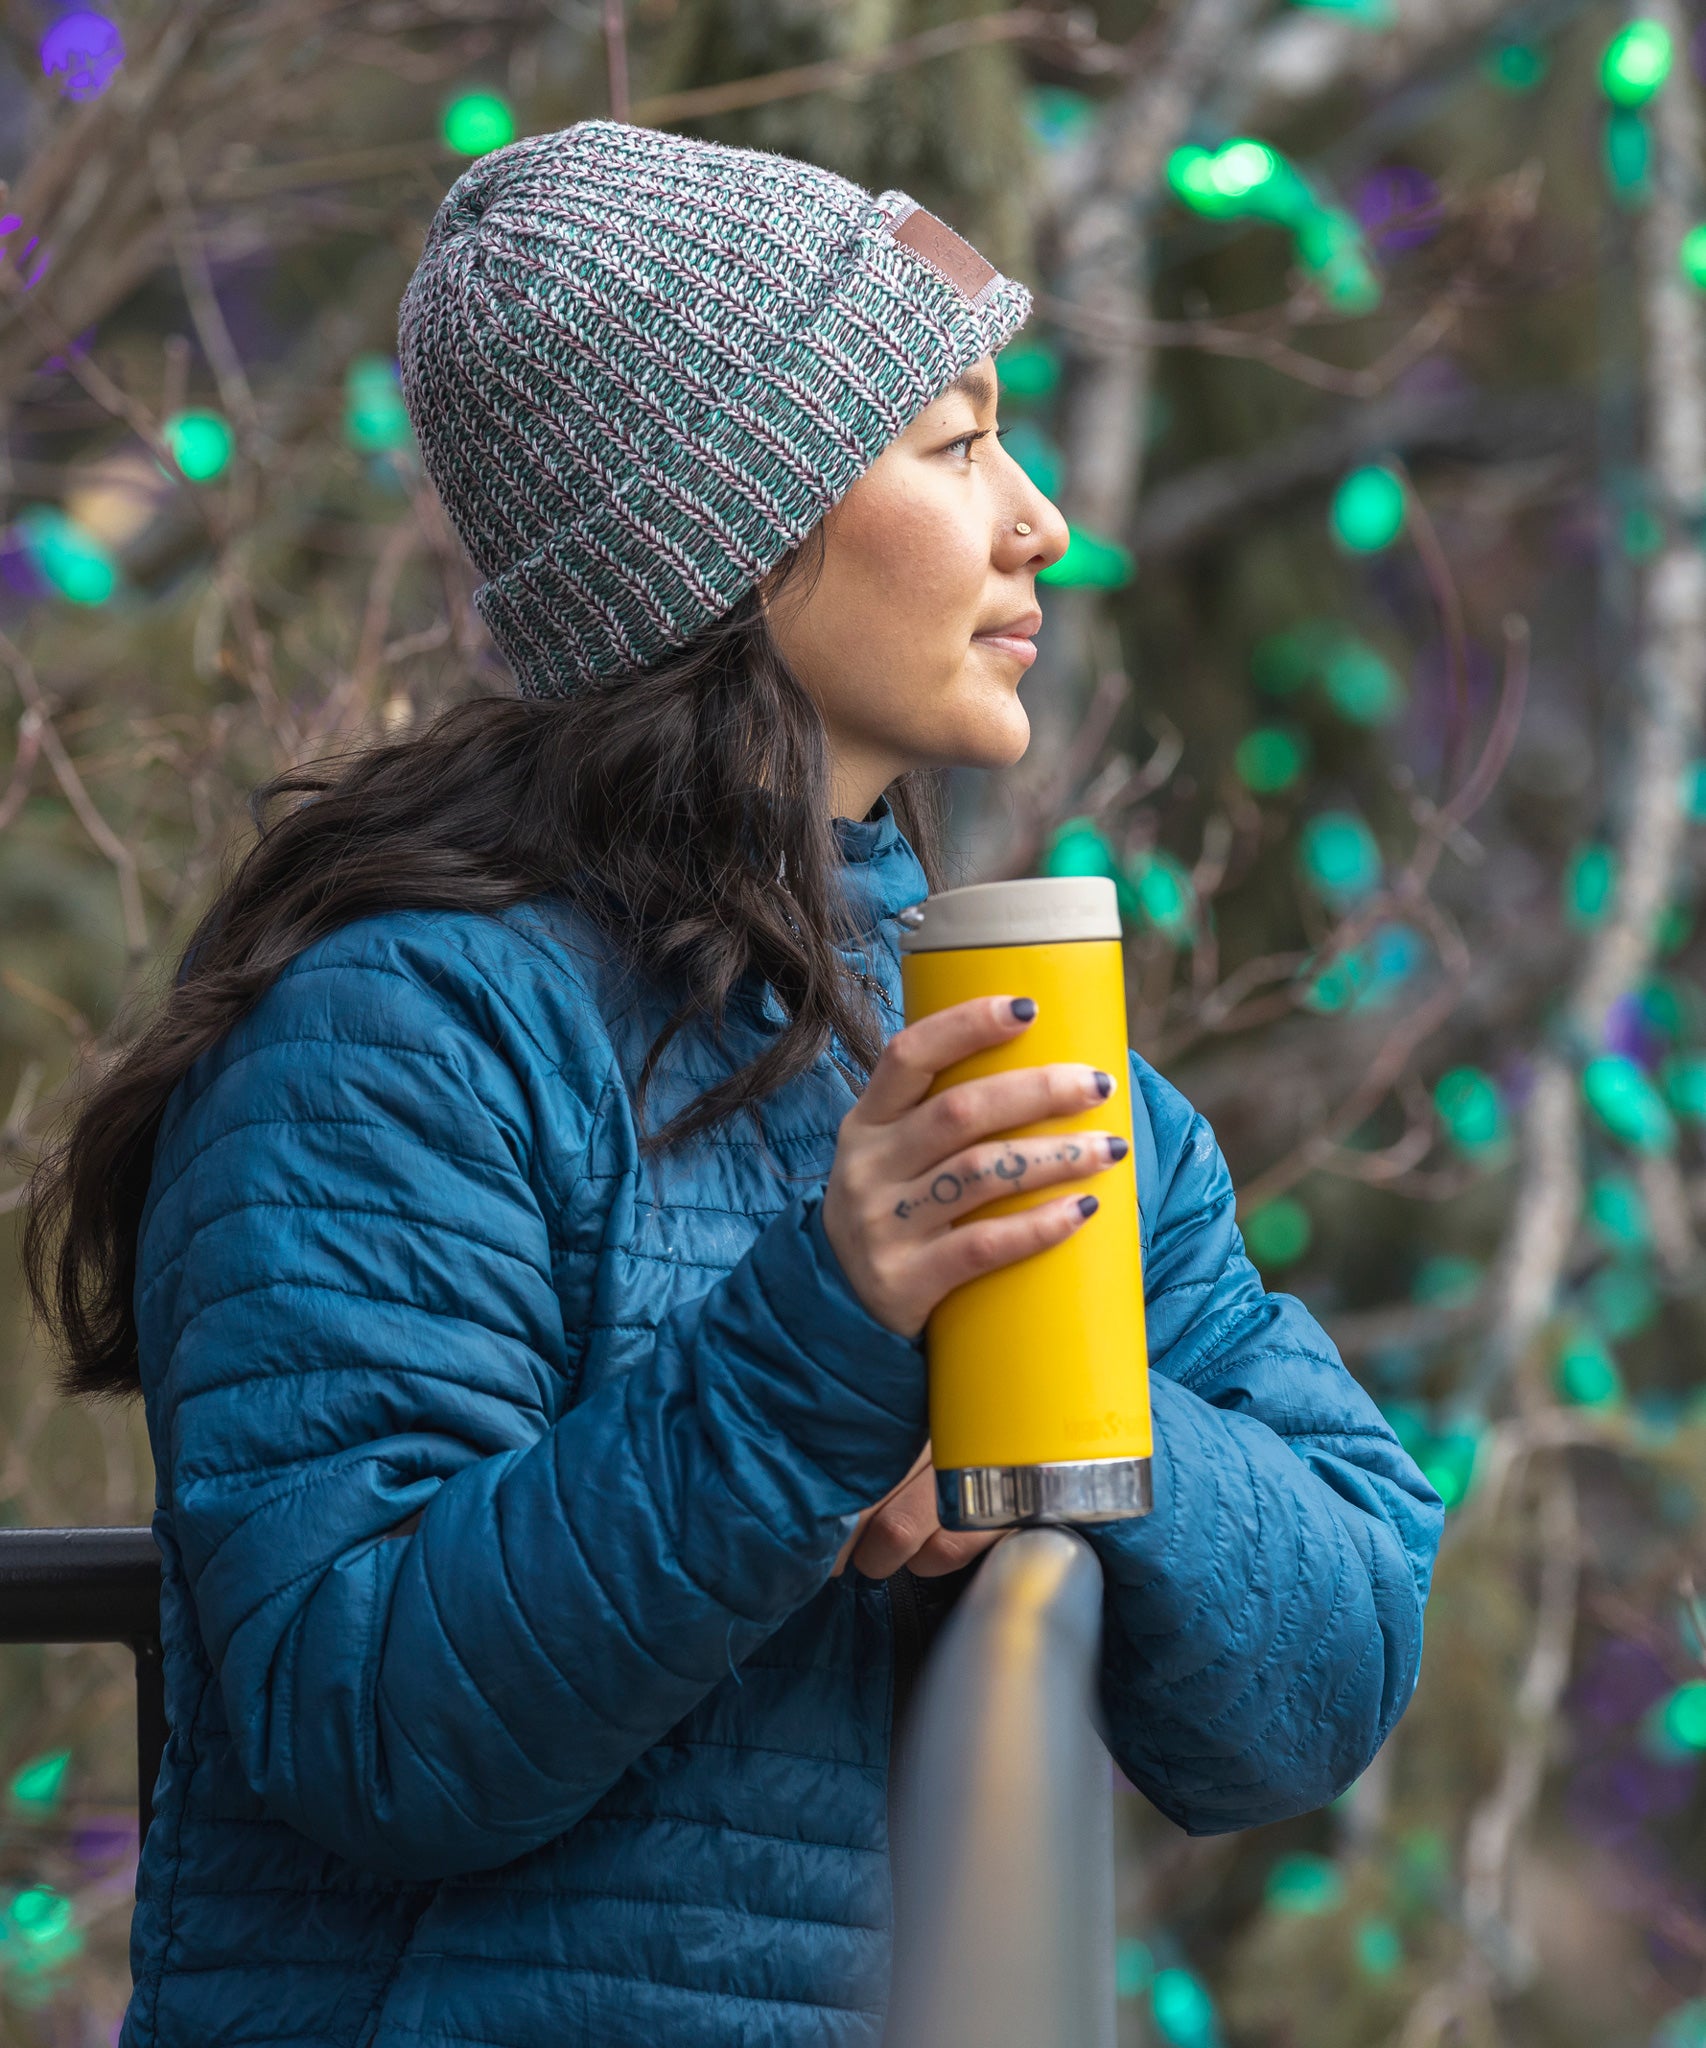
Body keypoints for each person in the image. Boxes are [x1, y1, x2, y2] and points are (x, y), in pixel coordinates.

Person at [26, 120, 1442, 2048]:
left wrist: (1069, 1441)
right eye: (952, 447)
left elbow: (1331, 1678)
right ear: (731, 537)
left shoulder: (979, 1036)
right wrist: (828, 1345)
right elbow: (364, 1726)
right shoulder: (391, 1035)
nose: (1036, 521)